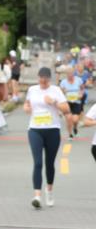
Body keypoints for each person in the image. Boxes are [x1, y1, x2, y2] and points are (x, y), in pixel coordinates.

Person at [24, 67, 70, 208]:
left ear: (49, 79)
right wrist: (26, 108)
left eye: (45, 80)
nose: (43, 82)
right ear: (38, 78)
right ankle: (37, 196)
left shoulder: (56, 90)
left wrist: (54, 103)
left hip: (52, 130)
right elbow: (27, 103)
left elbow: (67, 109)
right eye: (41, 79)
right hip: (35, 130)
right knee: (38, 163)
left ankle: (49, 191)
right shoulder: (32, 90)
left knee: (49, 164)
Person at [59, 66, 84, 138]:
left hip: (76, 102)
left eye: (71, 73)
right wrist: (63, 91)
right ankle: (70, 134)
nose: (70, 75)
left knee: (75, 120)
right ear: (66, 74)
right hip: (67, 103)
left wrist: (81, 94)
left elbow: (82, 88)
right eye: (68, 73)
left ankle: (75, 127)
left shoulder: (78, 80)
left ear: (73, 73)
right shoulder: (63, 82)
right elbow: (60, 93)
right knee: (68, 118)